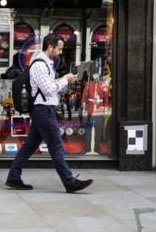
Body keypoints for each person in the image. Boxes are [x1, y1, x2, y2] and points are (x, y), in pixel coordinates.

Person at [5, 33, 93, 193]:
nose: (60, 52)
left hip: (44, 110)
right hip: (43, 111)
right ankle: (69, 182)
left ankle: (13, 177)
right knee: (56, 146)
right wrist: (65, 79)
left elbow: (50, 88)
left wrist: (63, 81)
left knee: (29, 147)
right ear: (50, 47)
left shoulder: (46, 63)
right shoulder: (39, 64)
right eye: (58, 49)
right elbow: (49, 89)